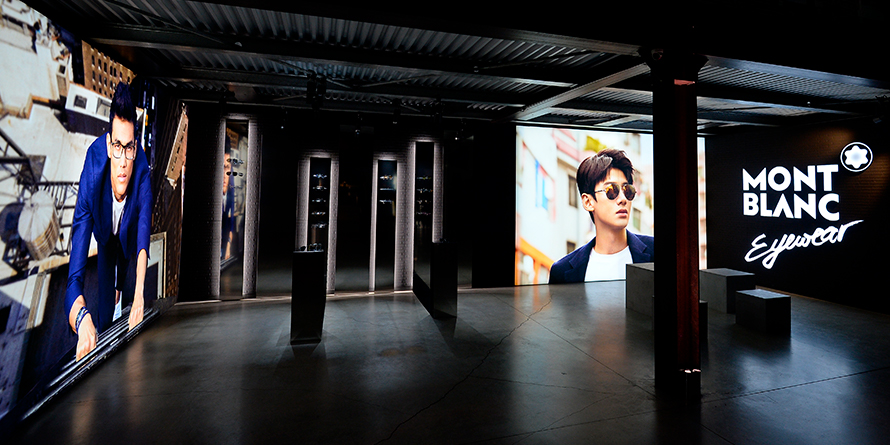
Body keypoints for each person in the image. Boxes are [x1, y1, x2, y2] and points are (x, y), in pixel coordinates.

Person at [66, 82, 151, 361]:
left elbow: (143, 232)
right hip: (105, 235)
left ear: (135, 147)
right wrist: (82, 319)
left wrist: (138, 295)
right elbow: (74, 278)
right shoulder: (92, 172)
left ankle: (120, 291)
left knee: (125, 281)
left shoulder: (141, 168)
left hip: (127, 235)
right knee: (104, 310)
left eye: (129, 148)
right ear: (108, 144)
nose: (123, 160)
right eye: (117, 146)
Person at [549, 149, 653, 283]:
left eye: (627, 190)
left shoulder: (655, 252)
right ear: (588, 202)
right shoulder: (562, 272)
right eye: (611, 191)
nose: (623, 199)